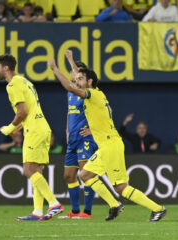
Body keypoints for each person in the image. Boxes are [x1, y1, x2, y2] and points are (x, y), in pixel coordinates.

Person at [48, 58, 167, 222]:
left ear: (90, 82)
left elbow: (69, 86)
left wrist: (55, 68)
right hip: (105, 146)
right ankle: (114, 205)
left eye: (81, 79)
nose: (76, 81)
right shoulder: (97, 94)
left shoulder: (92, 94)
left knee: (121, 187)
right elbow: (76, 82)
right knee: (85, 174)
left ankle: (158, 209)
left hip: (111, 146)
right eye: (76, 79)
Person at [0, 54, 63, 221]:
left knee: (28, 170)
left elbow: (22, 112)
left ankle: (54, 203)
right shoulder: (25, 81)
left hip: (34, 131)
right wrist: (16, 128)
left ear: (6, 68)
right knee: (37, 170)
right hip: (42, 128)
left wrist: (10, 128)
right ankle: (37, 211)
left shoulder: (13, 84)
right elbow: (28, 113)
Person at [58, 51, 97, 219]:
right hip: (73, 138)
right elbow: (70, 113)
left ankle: (86, 212)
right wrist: (67, 130)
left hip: (85, 138)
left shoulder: (90, 91)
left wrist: (93, 130)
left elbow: (106, 112)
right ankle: (74, 211)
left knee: (85, 174)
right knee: (68, 175)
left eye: (80, 74)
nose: (76, 76)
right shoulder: (71, 92)